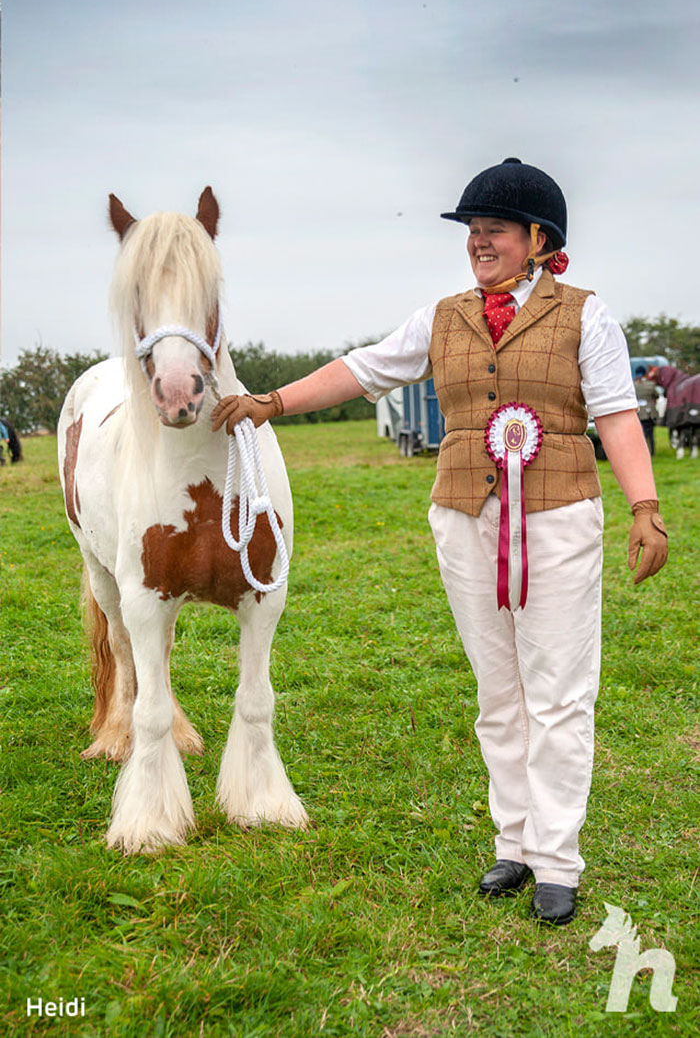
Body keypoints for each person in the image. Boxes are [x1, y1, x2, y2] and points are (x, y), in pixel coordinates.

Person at [211, 158, 668, 926]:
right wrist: (272, 402)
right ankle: (514, 842)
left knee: (557, 691)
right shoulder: (442, 316)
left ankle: (558, 860)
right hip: (463, 517)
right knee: (499, 689)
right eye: (472, 231)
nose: (477, 243)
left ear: (537, 238)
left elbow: (618, 414)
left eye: (492, 230)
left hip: (557, 516)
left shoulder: (587, 315)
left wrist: (645, 506)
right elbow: (364, 372)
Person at [634, 365, 659, 455]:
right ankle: (652, 452)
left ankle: (641, 452)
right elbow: (656, 395)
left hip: (637, 413)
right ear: (645, 374)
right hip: (649, 413)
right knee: (650, 434)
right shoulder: (651, 385)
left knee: (640, 434)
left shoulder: (633, 386)